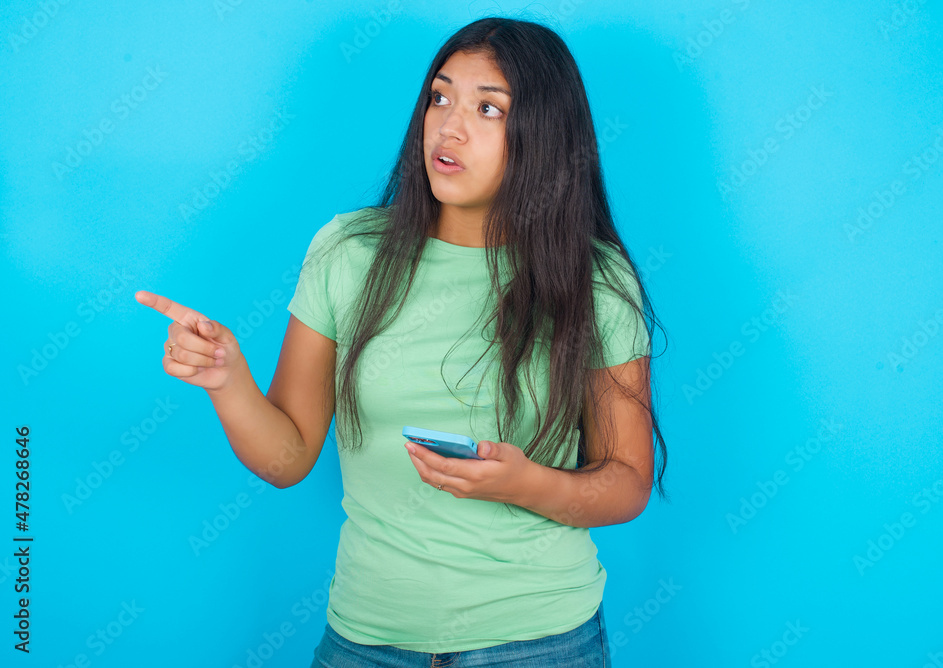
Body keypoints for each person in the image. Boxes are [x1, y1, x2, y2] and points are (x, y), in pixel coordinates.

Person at [136, 16, 669, 667]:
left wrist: (524, 483)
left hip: (539, 642)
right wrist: (229, 380)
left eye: (488, 109)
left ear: (545, 136)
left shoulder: (596, 281)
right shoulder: (347, 252)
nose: (450, 126)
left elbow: (627, 482)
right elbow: (288, 457)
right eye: (439, 97)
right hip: (366, 638)